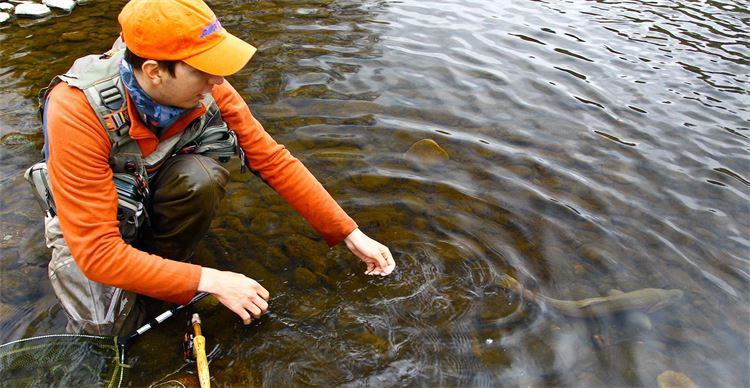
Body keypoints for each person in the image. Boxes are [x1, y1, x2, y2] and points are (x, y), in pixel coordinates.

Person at [29, 0, 395, 336]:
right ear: (155, 71)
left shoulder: (206, 87)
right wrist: (213, 280)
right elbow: (98, 253)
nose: (218, 82)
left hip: (148, 189)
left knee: (199, 178)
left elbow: (271, 158)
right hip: (90, 223)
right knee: (108, 327)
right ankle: (160, 274)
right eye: (206, 70)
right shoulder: (76, 111)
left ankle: (165, 263)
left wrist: (349, 233)